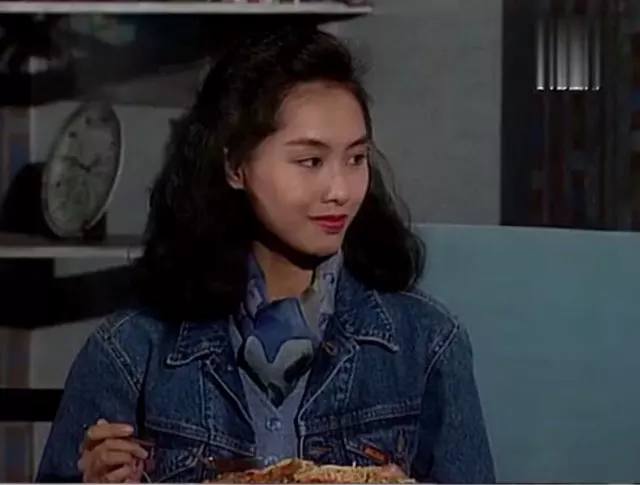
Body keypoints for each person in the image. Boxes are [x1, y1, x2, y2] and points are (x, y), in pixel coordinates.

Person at [37, 25, 495, 483]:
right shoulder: (131, 352)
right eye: (310, 161)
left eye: (355, 159)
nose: (340, 190)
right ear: (236, 166)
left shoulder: (426, 344)